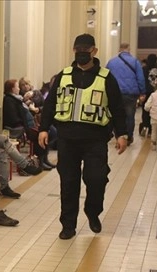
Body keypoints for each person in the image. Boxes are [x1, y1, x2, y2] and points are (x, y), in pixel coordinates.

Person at [38, 33, 128, 240]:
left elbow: (117, 108)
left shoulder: (106, 77)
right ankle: (68, 225)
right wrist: (44, 128)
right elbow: (50, 104)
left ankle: (93, 211)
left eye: (85, 52)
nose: (81, 55)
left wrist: (121, 134)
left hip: (95, 139)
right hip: (67, 139)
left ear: (94, 52)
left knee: (95, 179)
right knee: (68, 183)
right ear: (74, 51)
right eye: (78, 51)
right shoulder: (64, 76)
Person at [2, 79, 55, 171]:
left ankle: (44, 159)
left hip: (29, 125)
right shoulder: (9, 100)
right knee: (40, 135)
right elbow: (14, 118)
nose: (18, 89)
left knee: (46, 132)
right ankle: (40, 161)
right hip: (19, 128)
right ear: (12, 89)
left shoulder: (18, 98)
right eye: (17, 86)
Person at [105, 42, 146, 145]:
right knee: (129, 116)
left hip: (114, 92)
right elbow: (140, 78)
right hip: (130, 93)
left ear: (119, 49)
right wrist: (142, 92)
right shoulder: (135, 61)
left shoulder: (111, 62)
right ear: (129, 49)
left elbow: (105, 76)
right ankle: (128, 137)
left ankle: (118, 135)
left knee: (115, 114)